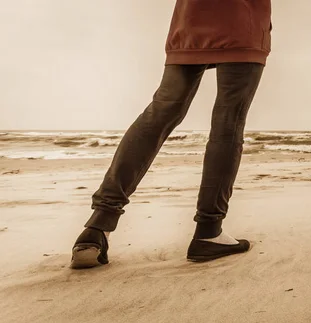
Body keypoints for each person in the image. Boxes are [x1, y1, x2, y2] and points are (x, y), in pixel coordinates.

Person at [70, 0, 272, 269]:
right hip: (242, 19)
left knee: (159, 114)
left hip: (191, 19)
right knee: (228, 121)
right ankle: (209, 231)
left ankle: (97, 226)